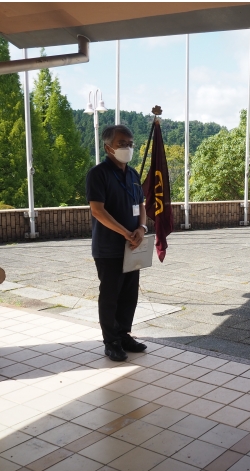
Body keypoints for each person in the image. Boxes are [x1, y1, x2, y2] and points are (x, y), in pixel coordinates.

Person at [86, 125, 148, 362]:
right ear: (108, 147)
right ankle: (110, 341)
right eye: (122, 143)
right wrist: (125, 232)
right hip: (109, 248)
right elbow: (98, 211)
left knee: (129, 294)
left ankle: (124, 335)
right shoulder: (98, 174)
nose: (128, 147)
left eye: (131, 143)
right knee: (111, 294)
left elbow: (141, 205)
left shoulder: (132, 174)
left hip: (133, 246)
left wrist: (141, 228)